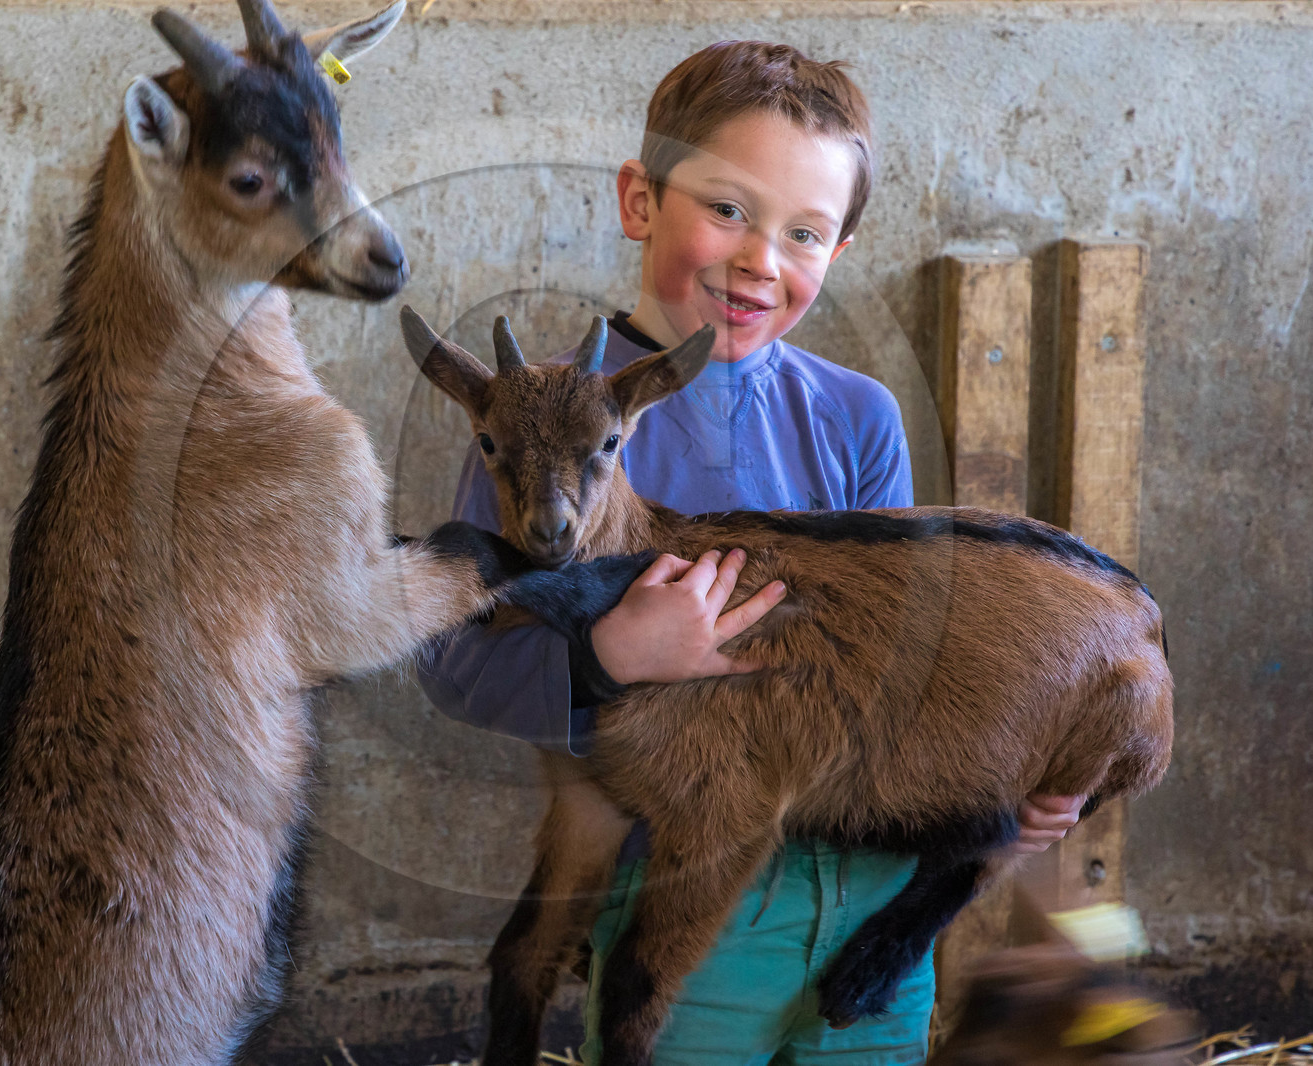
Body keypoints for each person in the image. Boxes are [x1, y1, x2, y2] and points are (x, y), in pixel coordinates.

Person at [417, 41, 1085, 1066]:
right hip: (685, 904)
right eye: (727, 209)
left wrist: (1014, 783)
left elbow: (903, 657)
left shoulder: (856, 418)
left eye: (804, 232)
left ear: (839, 251)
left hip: (863, 893)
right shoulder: (541, 419)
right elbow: (459, 664)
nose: (759, 259)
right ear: (640, 199)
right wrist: (606, 660)